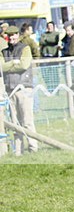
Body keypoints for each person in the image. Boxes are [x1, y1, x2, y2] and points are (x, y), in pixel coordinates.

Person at [1, 25, 38, 155]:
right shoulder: (4, 51)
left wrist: (11, 65)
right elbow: (2, 67)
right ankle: (18, 150)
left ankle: (33, 147)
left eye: (14, 35)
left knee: (27, 120)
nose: (12, 37)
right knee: (15, 122)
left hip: (23, 88)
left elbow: (24, 65)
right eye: (9, 35)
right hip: (10, 90)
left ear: (18, 35)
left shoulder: (25, 48)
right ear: (7, 37)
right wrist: (13, 63)